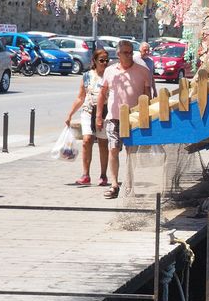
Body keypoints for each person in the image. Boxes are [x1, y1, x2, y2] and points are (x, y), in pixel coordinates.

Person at [96, 40, 152, 199]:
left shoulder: (143, 71)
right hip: (114, 117)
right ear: (118, 54)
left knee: (131, 151)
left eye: (130, 52)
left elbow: (148, 95)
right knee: (113, 148)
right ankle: (114, 184)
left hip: (134, 117)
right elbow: (102, 94)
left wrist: (147, 116)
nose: (128, 55)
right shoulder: (109, 71)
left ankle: (129, 183)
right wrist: (99, 116)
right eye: (125, 53)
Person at [65, 49, 109, 186]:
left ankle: (103, 175)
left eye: (107, 60)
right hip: (88, 111)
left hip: (105, 112)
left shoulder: (110, 76)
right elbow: (80, 97)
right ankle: (85, 174)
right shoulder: (87, 76)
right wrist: (70, 114)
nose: (105, 63)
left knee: (103, 143)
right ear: (94, 61)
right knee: (87, 140)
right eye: (101, 60)